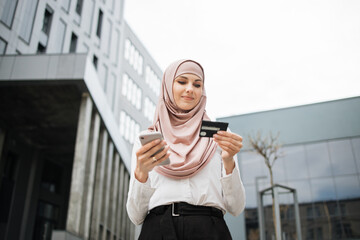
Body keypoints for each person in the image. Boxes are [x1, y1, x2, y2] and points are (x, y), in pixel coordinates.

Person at [126, 59, 245, 240]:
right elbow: (135, 216)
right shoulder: (148, 139)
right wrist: (141, 173)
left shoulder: (219, 135)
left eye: (197, 84)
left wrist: (229, 162)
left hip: (209, 229)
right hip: (158, 229)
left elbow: (236, 207)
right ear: (167, 86)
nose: (190, 89)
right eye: (182, 82)